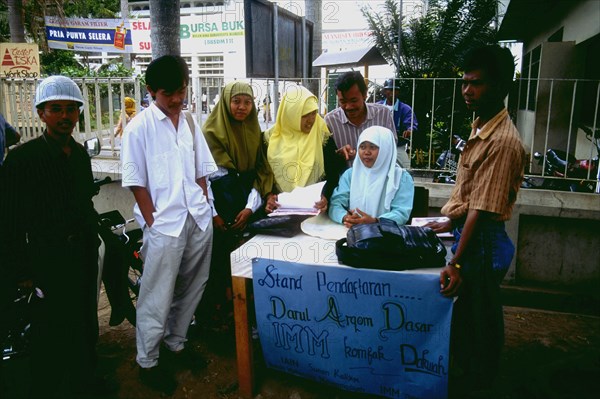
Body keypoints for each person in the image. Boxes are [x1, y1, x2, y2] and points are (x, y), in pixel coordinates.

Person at [426, 45, 526, 398]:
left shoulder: (502, 142)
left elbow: (481, 213)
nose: (467, 90)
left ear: (500, 86)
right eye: (465, 82)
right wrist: (448, 223)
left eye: (477, 84)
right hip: (472, 233)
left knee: (481, 321)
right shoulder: (482, 124)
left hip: (483, 241)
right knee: (470, 318)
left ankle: (480, 385)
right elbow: (471, 196)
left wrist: (455, 262)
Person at [0, 76, 109, 397]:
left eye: (71, 110)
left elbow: (84, 202)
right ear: (41, 114)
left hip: (82, 254)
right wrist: (21, 272)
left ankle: (85, 381)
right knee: (50, 328)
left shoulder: (79, 155)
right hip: (46, 259)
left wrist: (95, 236)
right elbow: (9, 223)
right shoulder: (22, 160)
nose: (65, 116)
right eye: (56, 109)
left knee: (85, 321)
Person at [121, 55, 216, 395]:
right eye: (167, 93)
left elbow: (201, 169)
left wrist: (206, 206)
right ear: (150, 91)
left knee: (193, 285)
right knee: (156, 294)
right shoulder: (138, 129)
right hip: (164, 226)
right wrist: (153, 222)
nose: (176, 99)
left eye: (181, 90)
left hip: (197, 219)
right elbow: (136, 182)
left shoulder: (189, 122)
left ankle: (176, 343)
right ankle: (147, 361)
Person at [200, 81, 274, 327]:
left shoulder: (256, 133)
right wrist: (213, 213)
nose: (242, 107)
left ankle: (248, 321)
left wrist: (250, 208)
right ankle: (219, 321)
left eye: (248, 102)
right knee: (219, 264)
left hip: (247, 209)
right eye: (236, 101)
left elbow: (260, 173)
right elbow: (203, 178)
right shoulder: (209, 133)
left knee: (248, 263)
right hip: (219, 211)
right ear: (225, 102)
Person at [263, 85, 345, 214]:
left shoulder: (321, 134)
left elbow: (333, 173)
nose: (311, 120)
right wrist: (269, 196)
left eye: (313, 113)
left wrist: (325, 196)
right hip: (279, 210)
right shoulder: (269, 139)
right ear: (290, 114)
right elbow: (262, 175)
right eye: (304, 115)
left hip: (313, 210)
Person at [328, 126, 414, 226]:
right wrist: (346, 217)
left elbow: (401, 213)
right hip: (352, 230)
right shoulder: (350, 175)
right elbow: (336, 203)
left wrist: (375, 221)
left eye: (373, 147)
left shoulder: (400, 177)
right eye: (362, 147)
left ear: (385, 149)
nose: (366, 152)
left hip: (385, 233)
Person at [325, 71, 396, 165]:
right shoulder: (330, 121)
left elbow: (391, 148)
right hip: (346, 179)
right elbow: (327, 158)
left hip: (378, 177)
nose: (349, 107)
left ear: (364, 95)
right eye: (343, 101)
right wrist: (339, 154)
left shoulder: (383, 114)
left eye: (353, 100)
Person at [377, 78, 418, 168]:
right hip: (380, 145)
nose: (391, 92)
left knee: (406, 170)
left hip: (398, 145)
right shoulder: (378, 106)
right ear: (384, 91)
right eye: (389, 90)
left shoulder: (405, 108)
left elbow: (411, 123)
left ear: (398, 92)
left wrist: (409, 130)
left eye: (394, 90)